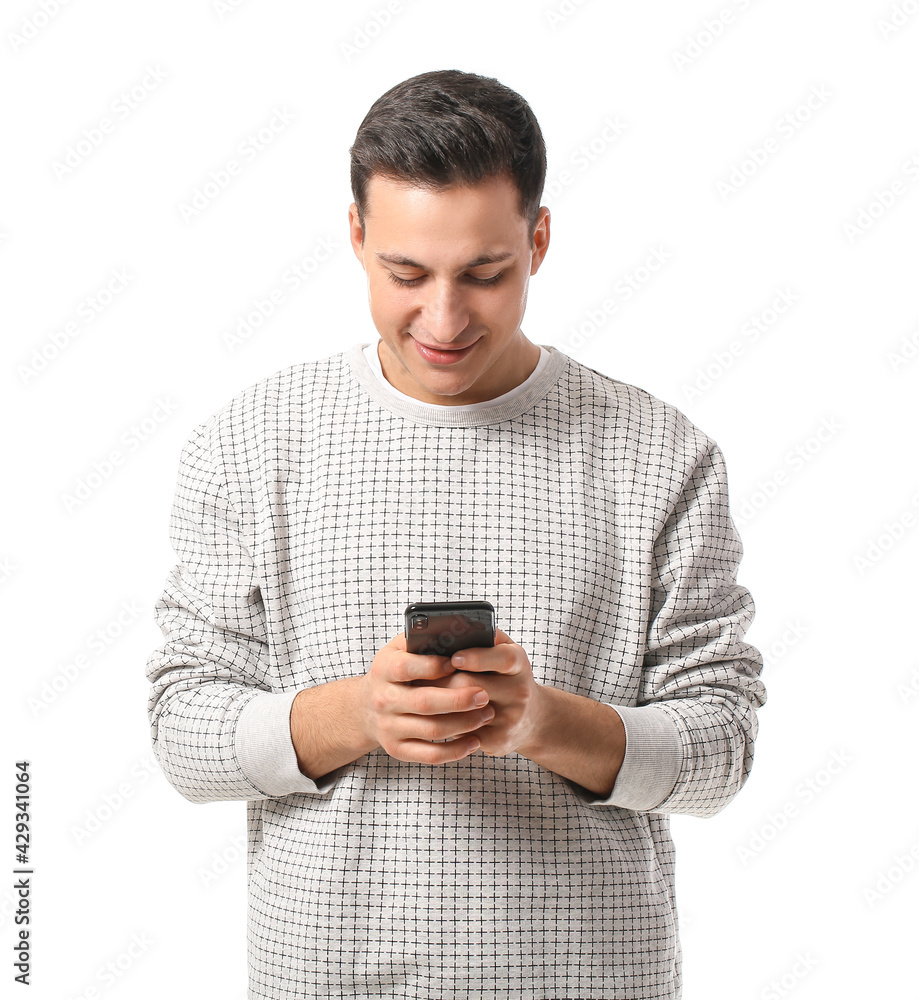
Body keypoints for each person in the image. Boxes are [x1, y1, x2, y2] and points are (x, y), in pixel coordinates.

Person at [146, 68, 766, 999]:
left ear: (539, 240)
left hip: (590, 978)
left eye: (484, 274)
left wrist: (540, 722)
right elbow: (180, 734)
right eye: (405, 274)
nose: (442, 319)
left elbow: (720, 750)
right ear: (356, 237)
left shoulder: (660, 455)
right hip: (327, 978)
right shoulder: (250, 444)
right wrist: (358, 714)